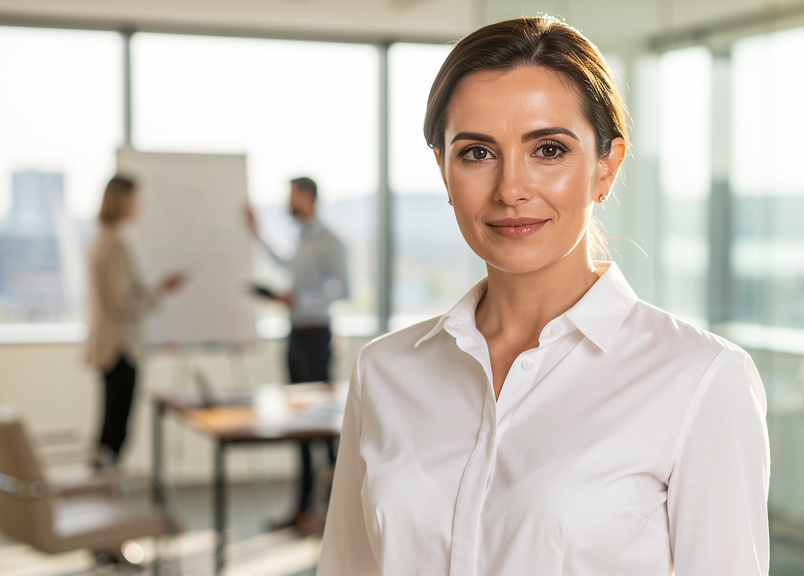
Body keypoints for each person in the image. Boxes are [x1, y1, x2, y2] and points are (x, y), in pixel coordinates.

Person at [317, 16, 770, 576]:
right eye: (477, 153)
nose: (511, 189)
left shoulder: (700, 379)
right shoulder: (384, 371)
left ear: (607, 167)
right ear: (443, 170)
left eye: (549, 150)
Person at [247, 176, 350, 533]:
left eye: (291, 197)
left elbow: (343, 289)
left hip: (317, 338)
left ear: (308, 197)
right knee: (298, 427)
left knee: (322, 430)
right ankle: (302, 509)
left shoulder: (330, 240)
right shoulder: (303, 239)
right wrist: (257, 232)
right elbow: (285, 264)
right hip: (295, 335)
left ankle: (334, 516)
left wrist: (301, 300)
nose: (288, 204)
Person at [85, 175, 185, 467]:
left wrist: (153, 290)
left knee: (112, 427)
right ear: (122, 201)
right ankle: (103, 494)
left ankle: (102, 492)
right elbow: (121, 303)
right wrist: (157, 294)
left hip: (113, 345)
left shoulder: (105, 238)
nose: (138, 206)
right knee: (115, 431)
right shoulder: (113, 242)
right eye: (135, 199)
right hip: (119, 347)